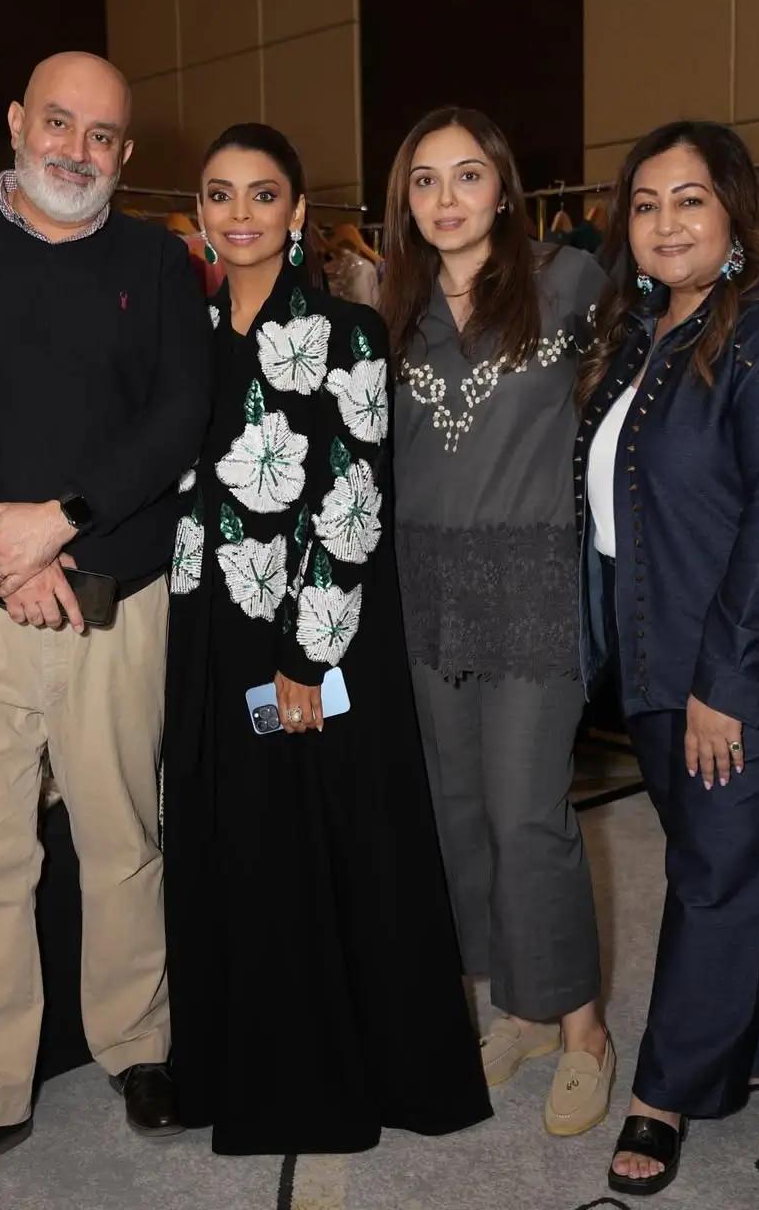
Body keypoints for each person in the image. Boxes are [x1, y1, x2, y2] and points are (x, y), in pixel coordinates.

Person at [0, 52, 213, 1203]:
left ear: (125, 153)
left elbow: (180, 415)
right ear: (16, 123)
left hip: (112, 601)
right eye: (58, 123)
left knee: (123, 836)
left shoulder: (157, 262)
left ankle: (139, 1047)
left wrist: (60, 522)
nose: (78, 150)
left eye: (103, 135)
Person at [162, 121, 492, 1154]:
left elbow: (355, 504)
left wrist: (306, 657)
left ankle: (313, 1084)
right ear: (199, 213)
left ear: (299, 212)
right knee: (227, 841)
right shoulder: (187, 330)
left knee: (303, 846)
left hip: (306, 631)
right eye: (220, 194)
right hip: (204, 626)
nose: (241, 214)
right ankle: (226, 1065)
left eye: (264, 194)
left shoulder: (347, 331)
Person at [574, 120, 759, 1195]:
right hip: (662, 654)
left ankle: (664, 1095)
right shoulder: (648, 330)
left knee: (711, 879)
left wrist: (724, 691)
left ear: (737, 214)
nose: (664, 223)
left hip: (756, 674)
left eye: (689, 199)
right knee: (727, 866)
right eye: (645, 203)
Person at [379, 105, 613, 1137]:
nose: (446, 198)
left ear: (505, 186)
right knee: (459, 813)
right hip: (425, 586)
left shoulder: (569, 281)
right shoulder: (390, 304)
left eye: (467, 175)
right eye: (425, 180)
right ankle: (519, 1008)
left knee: (527, 813)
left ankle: (584, 1030)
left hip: (531, 583)